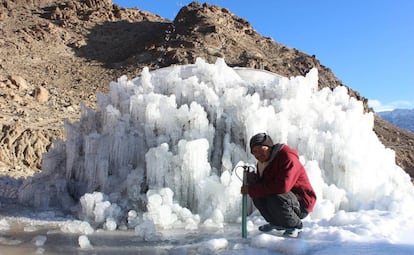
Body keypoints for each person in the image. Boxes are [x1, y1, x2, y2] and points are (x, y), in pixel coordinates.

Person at [241, 133, 317, 236]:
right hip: (288, 199)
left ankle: (295, 226)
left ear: (269, 147)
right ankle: (277, 223)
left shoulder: (287, 157)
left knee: (275, 196)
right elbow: (264, 185)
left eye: (261, 149)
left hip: (302, 202)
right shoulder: (262, 163)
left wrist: (252, 189)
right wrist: (253, 181)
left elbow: (283, 186)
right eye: (255, 152)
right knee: (257, 195)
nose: (258, 154)